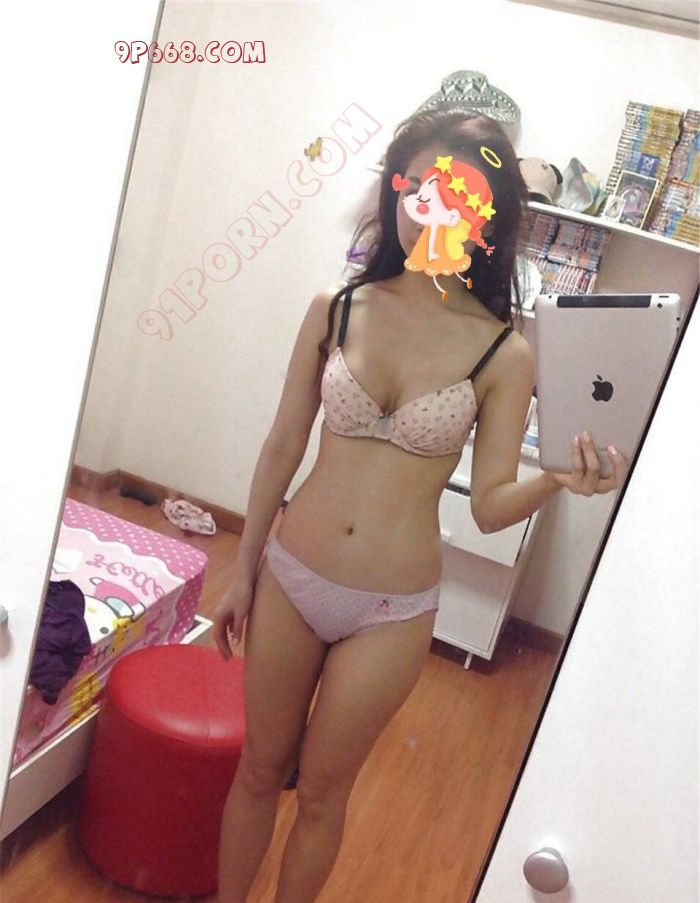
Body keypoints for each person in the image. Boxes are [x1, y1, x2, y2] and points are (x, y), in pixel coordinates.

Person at [212, 109, 628, 902]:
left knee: (323, 794)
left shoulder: (504, 352)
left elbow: (492, 506)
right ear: (398, 190)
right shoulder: (336, 307)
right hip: (291, 572)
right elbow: (282, 445)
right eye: (424, 188)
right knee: (260, 769)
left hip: (390, 607)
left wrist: (558, 479)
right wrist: (240, 572)